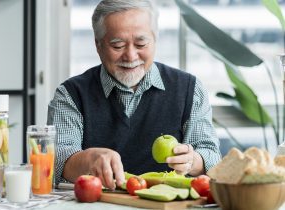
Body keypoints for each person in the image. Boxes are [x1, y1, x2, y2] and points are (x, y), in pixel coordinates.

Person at [47, 0, 221, 190]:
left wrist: (193, 160)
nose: (130, 56)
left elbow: (211, 155)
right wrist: (88, 159)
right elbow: (57, 160)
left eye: (141, 43)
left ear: (155, 39)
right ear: (98, 45)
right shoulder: (71, 94)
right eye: (118, 45)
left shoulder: (189, 88)